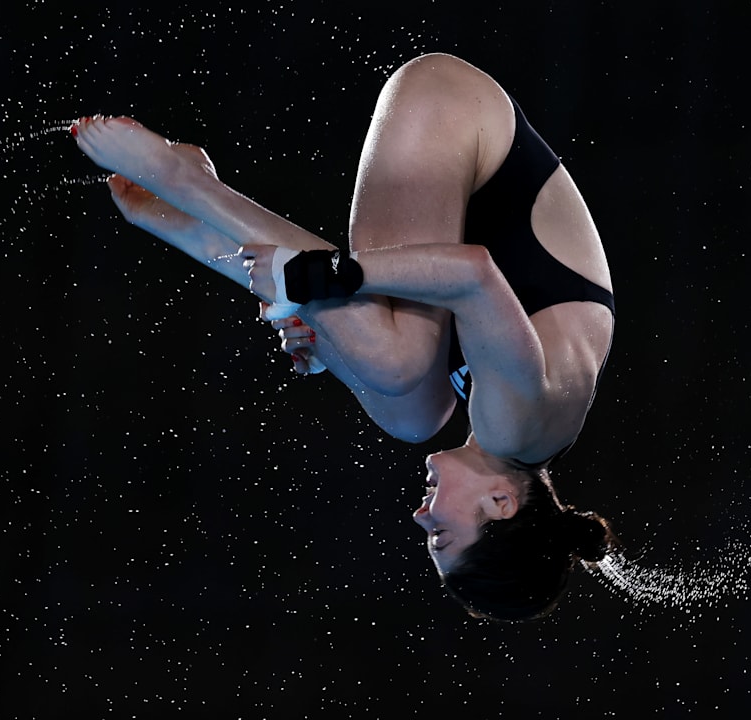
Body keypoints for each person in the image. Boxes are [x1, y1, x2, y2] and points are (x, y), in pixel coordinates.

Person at [72, 53, 618, 620]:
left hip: (458, 168)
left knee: (407, 412)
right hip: (451, 109)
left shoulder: (503, 431)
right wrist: (329, 278)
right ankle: (190, 187)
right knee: (396, 361)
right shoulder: (521, 425)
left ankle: (201, 231)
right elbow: (473, 275)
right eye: (441, 536)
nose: (420, 518)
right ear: (500, 503)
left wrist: (327, 335)